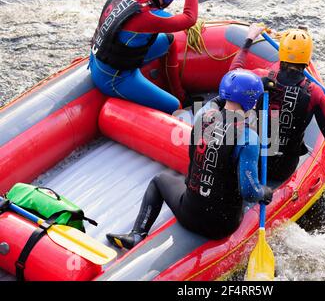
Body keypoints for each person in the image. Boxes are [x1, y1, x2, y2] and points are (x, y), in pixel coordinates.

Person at [106, 69, 273, 249]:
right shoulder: (249, 138)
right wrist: (264, 192)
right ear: (251, 102)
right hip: (221, 226)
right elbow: (249, 192)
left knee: (159, 180)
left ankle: (137, 234)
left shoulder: (202, 117)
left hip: (188, 213)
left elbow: (216, 103)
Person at [230, 24, 325, 182]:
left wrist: (250, 38)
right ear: (308, 58)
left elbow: (232, 76)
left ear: (281, 53)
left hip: (253, 161)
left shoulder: (261, 77)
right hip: (283, 169)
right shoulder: (314, 92)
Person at [89, 0, 199, 114]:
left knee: (169, 41)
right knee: (175, 106)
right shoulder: (149, 16)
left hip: (103, 57)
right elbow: (190, 19)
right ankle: (177, 100)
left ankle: (178, 92)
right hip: (114, 77)